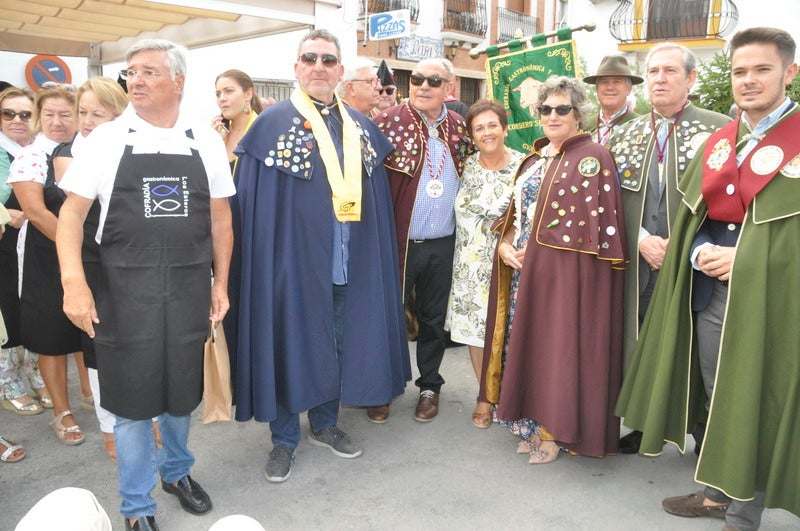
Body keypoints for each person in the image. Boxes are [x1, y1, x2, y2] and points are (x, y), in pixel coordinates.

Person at [615, 27, 800, 531]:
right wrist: (698, 253)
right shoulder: (721, 142)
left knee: (762, 394)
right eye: (740, 71)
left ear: (790, 72)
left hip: (778, 298)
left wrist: (751, 260)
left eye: (762, 69)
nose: (749, 81)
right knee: (723, 393)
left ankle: (744, 510)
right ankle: (720, 493)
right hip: (712, 290)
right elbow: (696, 217)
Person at [56, 38, 235, 531]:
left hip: (186, 288)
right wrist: (73, 281)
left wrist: (219, 282)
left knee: (180, 392)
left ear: (178, 81)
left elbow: (221, 219)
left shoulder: (207, 139)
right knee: (131, 401)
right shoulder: (106, 139)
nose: (135, 79)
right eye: (131, 72)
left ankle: (177, 473)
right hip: (122, 291)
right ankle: (137, 507)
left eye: (149, 71)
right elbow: (72, 215)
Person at [226, 29, 410, 484]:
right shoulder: (267, 128)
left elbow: (378, 204)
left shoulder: (363, 127)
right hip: (290, 268)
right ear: (296, 67)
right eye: (310, 58)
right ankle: (284, 439)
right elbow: (252, 209)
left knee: (338, 343)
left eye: (328, 60)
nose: (319, 67)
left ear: (341, 71)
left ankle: (325, 424)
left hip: (349, 263)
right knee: (288, 345)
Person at [481, 76, 628, 464]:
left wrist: (536, 251)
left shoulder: (592, 156)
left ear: (579, 114)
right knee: (528, 347)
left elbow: (591, 230)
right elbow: (518, 213)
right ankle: (530, 424)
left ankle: (554, 432)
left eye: (562, 109)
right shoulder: (536, 157)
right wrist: (507, 242)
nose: (553, 115)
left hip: (564, 276)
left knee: (555, 349)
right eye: (545, 109)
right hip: (525, 271)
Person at [606, 43, 730, 454]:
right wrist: (641, 239)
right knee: (642, 341)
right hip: (640, 261)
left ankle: (701, 431)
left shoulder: (720, 132)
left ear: (690, 79)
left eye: (669, 71)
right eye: (653, 71)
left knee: (695, 346)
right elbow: (608, 202)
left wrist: (682, 244)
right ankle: (643, 422)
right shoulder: (624, 135)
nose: (658, 78)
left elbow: (731, 202)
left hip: (693, 262)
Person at [373, 57, 472, 423]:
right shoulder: (387, 121)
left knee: (433, 320)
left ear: (450, 86)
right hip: (399, 242)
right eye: (417, 79)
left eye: (433, 80)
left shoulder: (462, 127)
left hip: (443, 243)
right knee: (388, 316)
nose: (423, 86)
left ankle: (430, 386)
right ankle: (381, 387)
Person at [51, 77, 129, 460]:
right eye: (83, 112)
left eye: (99, 113)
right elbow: (74, 206)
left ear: (118, 115)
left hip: (130, 262)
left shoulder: (135, 148)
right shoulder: (69, 153)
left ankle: (143, 417)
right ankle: (109, 425)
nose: (87, 121)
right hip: (90, 263)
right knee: (98, 347)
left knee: (134, 344)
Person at [7, 85, 88, 445]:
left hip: (86, 252)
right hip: (46, 254)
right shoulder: (31, 156)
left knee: (88, 330)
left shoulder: (87, 151)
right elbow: (36, 212)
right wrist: (78, 249)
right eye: (49, 114)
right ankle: (62, 412)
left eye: (65, 114)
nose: (57, 122)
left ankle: (93, 395)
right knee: (53, 337)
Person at [444, 99, 523, 429]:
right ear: (472, 136)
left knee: (508, 332)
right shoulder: (465, 165)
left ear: (505, 129)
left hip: (507, 265)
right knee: (476, 333)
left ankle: (513, 394)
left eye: (493, 125)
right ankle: (485, 395)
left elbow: (531, 214)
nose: (487, 132)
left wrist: (509, 241)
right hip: (467, 267)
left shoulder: (525, 166)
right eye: (479, 128)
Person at [0, 86, 49, 416]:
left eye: (25, 114)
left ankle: (34, 371)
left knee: (36, 307)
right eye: (8, 113)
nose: (17, 120)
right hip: (3, 242)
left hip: (37, 244)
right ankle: (8, 379)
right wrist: (4, 213)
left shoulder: (45, 151)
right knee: (7, 311)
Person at [583, 55, 643, 145]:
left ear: (629, 89)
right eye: (604, 82)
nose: (610, 87)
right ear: (597, 88)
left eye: (617, 82)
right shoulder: (584, 125)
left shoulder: (640, 125)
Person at [212, 69, 263, 169]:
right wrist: (214, 142)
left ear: (248, 94)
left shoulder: (263, 131)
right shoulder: (219, 134)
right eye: (218, 94)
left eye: (229, 91)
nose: (222, 98)